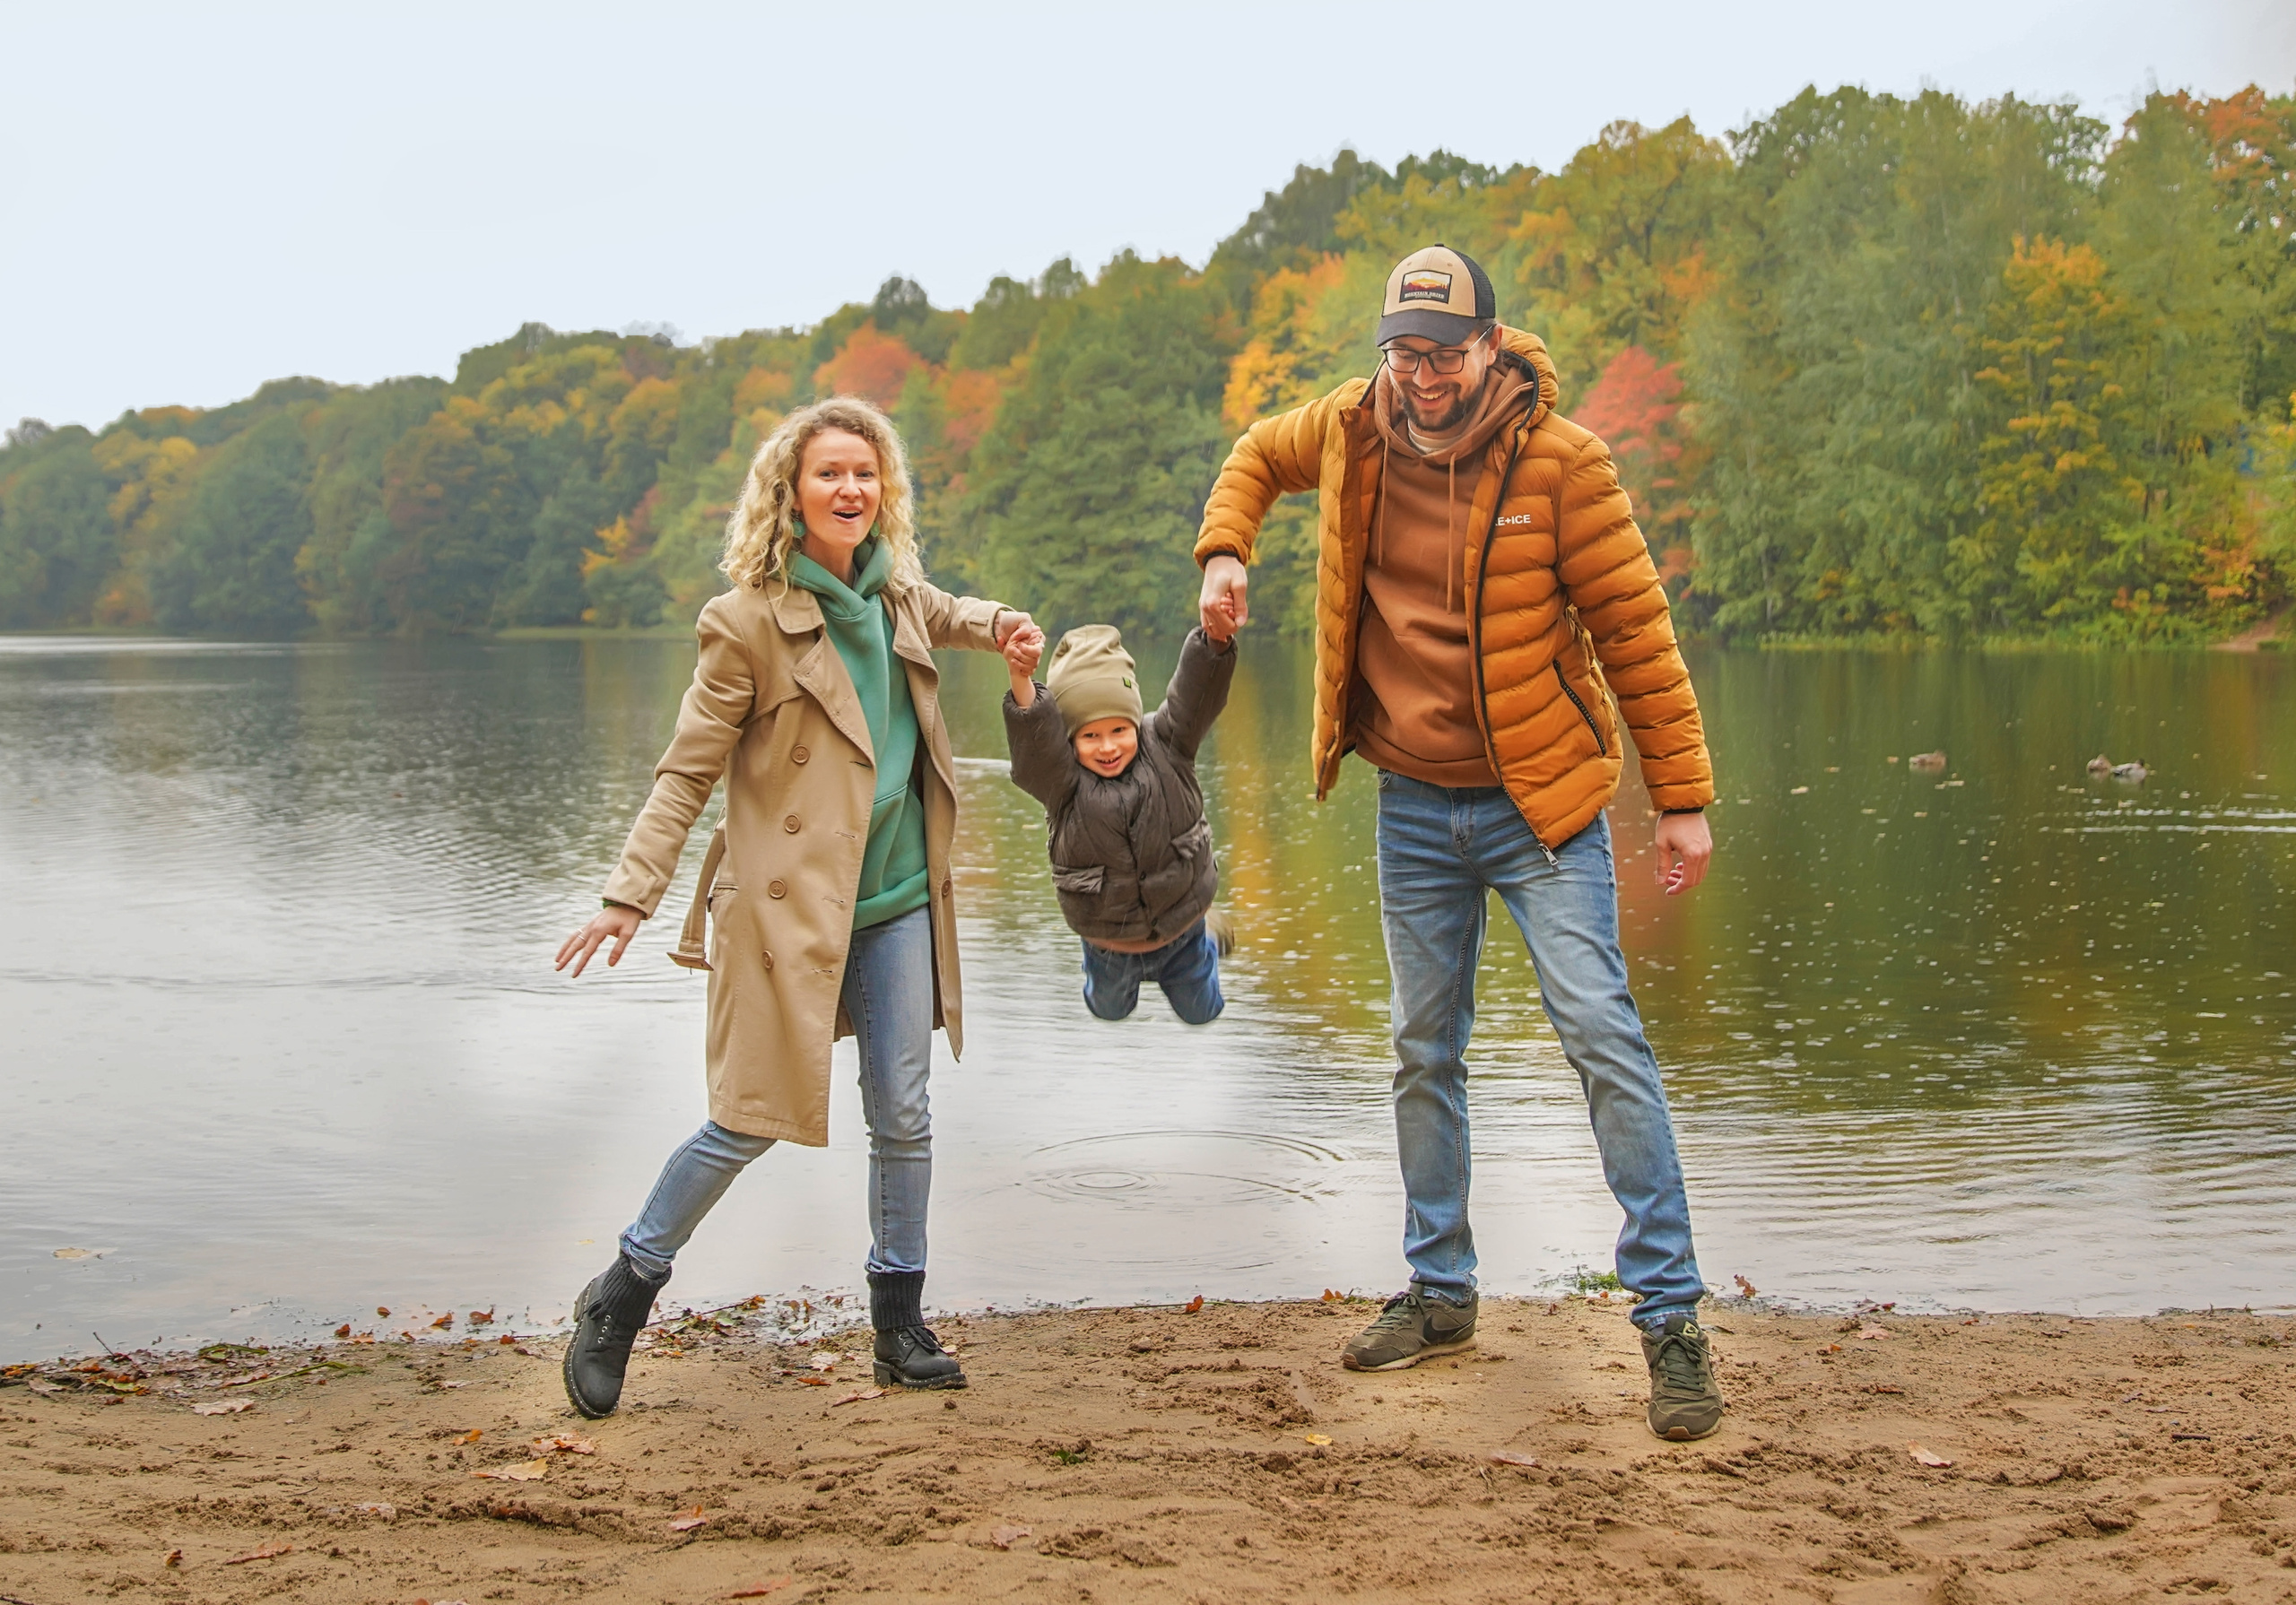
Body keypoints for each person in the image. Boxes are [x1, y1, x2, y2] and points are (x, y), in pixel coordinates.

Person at [1192, 244, 1725, 1441]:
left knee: (1600, 1032)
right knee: (1422, 1046)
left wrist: (1681, 795)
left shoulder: (1565, 464)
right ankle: (1440, 1289)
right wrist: (1226, 549)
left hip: (1544, 807)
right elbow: (1249, 459)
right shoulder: (1350, 426)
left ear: (1492, 344)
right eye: (1401, 351)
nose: (1419, 375)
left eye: (1440, 351)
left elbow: (1637, 632)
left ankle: (1671, 1318)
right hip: (1416, 808)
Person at [552, 396, 1039, 1417]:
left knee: (902, 1110)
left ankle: (898, 1326)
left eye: (865, 473)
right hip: (785, 912)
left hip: (899, 895)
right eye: (829, 473)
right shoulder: (744, 625)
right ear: (791, 491)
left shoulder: (897, 594)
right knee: (747, 1118)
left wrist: (1005, 627)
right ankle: (622, 1293)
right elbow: (685, 773)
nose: (850, 489)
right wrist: (626, 895)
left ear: (883, 489)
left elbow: (951, 612)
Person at [1000, 616, 1239, 1024]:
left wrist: (1214, 638)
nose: (1108, 747)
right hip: (1107, 941)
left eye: (1118, 730)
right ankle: (1113, 980)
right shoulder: (1062, 783)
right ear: (1070, 738)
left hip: (1182, 926)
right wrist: (1021, 679)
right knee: (1108, 1010)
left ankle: (1210, 941)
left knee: (1203, 1011)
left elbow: (1196, 692)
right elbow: (1034, 744)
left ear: (1135, 721)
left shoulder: (1169, 744)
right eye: (1090, 736)